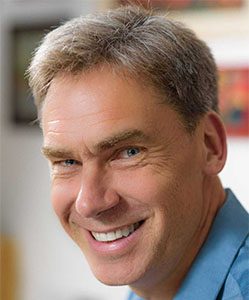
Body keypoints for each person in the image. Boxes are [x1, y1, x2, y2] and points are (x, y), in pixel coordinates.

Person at [27, 5, 248, 300]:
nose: (89, 203)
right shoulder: (157, 275)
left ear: (210, 146)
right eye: (67, 161)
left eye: (127, 152)